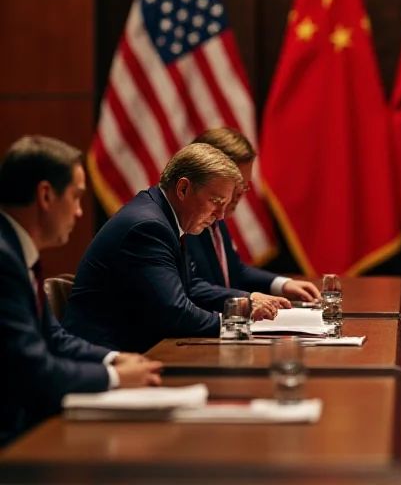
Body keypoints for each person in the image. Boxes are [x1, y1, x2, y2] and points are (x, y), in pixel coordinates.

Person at [0, 136, 162, 445]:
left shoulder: (15, 251)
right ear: (46, 195)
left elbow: (54, 337)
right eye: (76, 197)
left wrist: (115, 359)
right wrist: (116, 377)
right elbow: (36, 374)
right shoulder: (5, 260)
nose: (78, 213)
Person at [63, 143, 279, 354]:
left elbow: (188, 289)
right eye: (215, 201)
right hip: (103, 357)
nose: (220, 216)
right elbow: (175, 311)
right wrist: (236, 323)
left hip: (136, 348)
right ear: (183, 188)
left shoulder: (163, 217)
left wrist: (242, 306)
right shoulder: (148, 227)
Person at [187, 127, 320, 304]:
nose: (241, 194)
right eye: (236, 185)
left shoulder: (215, 215)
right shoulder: (182, 222)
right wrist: (249, 299)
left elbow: (235, 270)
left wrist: (283, 284)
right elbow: (191, 289)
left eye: (245, 186)